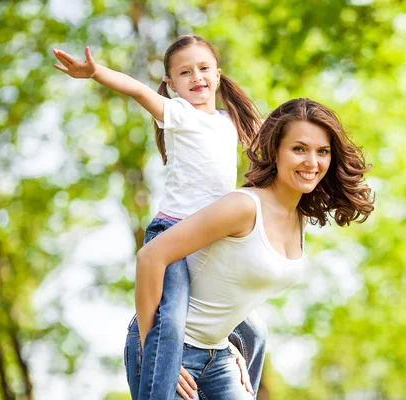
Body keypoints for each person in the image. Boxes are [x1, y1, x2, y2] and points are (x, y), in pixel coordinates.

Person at [52, 35, 265, 400]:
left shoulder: (231, 122)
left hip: (210, 242)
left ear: (217, 74)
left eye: (203, 69)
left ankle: (246, 384)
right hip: (172, 237)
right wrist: (95, 72)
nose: (196, 77)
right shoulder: (178, 114)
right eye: (185, 72)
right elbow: (136, 90)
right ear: (170, 83)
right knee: (170, 326)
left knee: (255, 333)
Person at [135, 98, 375, 399]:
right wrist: (154, 350)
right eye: (299, 149)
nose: (312, 162)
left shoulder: (298, 218)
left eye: (322, 151)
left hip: (219, 355)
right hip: (172, 349)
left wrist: (231, 340)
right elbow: (151, 256)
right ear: (275, 151)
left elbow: (235, 280)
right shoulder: (244, 206)